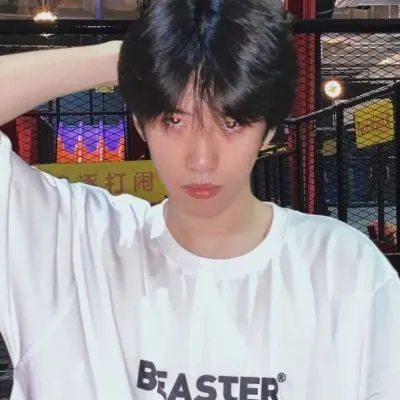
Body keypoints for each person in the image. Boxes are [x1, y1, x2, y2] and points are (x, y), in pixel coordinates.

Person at [0, 0, 399, 399]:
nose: (202, 158)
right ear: (140, 122)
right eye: (174, 120)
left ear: (269, 130)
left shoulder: (343, 271)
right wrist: (137, 58)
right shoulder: (74, 248)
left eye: (231, 122)